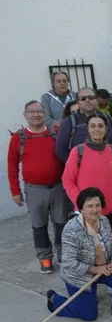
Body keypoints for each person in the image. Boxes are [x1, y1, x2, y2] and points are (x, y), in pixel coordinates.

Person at [45, 187, 112, 321]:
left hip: (103, 269)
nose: (95, 210)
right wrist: (96, 269)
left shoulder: (104, 221)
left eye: (97, 205)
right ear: (81, 208)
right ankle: (55, 300)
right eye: (90, 206)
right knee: (89, 315)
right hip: (79, 275)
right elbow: (69, 263)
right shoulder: (72, 229)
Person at [7, 101, 67, 273]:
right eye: (31, 111)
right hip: (35, 189)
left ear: (44, 114)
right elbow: (12, 165)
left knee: (61, 223)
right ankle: (45, 258)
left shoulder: (55, 133)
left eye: (39, 111)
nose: (36, 115)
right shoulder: (19, 138)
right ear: (25, 115)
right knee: (39, 225)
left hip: (58, 186)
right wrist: (15, 191)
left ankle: (63, 254)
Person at [63, 113, 112, 264]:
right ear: (87, 129)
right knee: (93, 254)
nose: (97, 129)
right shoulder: (78, 152)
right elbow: (67, 180)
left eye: (100, 126)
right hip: (89, 212)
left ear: (106, 128)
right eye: (92, 126)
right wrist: (80, 203)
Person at [55, 87, 112, 162]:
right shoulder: (69, 122)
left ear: (96, 100)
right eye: (83, 99)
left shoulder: (107, 117)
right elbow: (60, 149)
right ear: (78, 103)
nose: (87, 100)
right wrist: (75, 164)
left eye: (91, 98)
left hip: (108, 164)